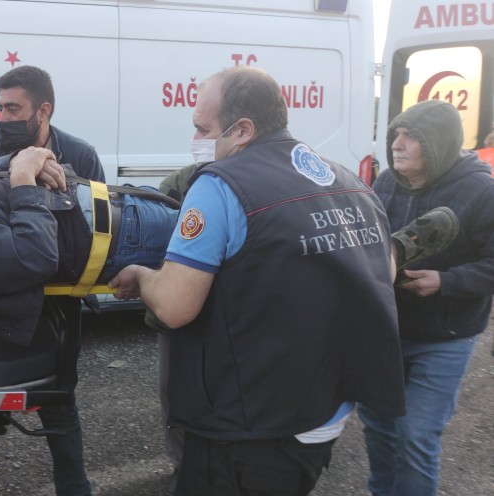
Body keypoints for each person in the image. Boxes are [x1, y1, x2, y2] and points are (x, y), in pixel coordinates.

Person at [108, 66, 406, 495]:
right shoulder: (349, 180)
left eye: (203, 128)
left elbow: (175, 306)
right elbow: (384, 271)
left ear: (243, 130)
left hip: (248, 427)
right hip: (324, 415)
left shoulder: (220, 183)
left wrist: (141, 275)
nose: (196, 138)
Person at [0, 65, 104, 496]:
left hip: (57, 308)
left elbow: (94, 234)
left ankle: (74, 488)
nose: (3, 117)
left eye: (13, 108)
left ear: (44, 110)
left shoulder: (81, 155)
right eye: (0, 107)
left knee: (59, 401)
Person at [359, 100, 494, 496]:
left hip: (444, 337)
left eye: (411, 137)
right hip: (385, 330)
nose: (396, 144)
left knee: (416, 434)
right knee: (378, 426)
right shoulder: (386, 182)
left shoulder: (481, 191)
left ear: (438, 143)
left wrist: (446, 282)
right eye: (395, 134)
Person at [0, 154, 177, 344]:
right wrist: (23, 180)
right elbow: (35, 256)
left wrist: (18, 159)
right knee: (197, 269)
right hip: (129, 233)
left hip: (127, 207)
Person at [141, 162, 198, 496]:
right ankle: (182, 465)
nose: (199, 139)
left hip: (229, 314)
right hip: (178, 314)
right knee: (174, 393)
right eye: (198, 134)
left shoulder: (253, 181)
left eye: (206, 135)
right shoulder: (181, 181)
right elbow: (157, 237)